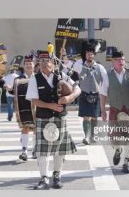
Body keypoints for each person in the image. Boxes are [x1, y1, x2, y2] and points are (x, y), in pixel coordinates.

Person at [26, 51, 81, 190]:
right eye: (43, 62)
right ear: (39, 64)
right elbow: (33, 101)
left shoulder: (62, 76)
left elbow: (78, 89)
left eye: (48, 61)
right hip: (43, 117)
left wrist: (69, 98)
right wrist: (49, 105)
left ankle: (57, 176)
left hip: (59, 117)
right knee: (41, 151)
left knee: (59, 150)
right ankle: (44, 178)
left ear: (53, 63)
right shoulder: (35, 78)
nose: (45, 64)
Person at [100, 50, 129, 173]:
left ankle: (126, 162)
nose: (121, 61)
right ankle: (117, 150)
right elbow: (103, 94)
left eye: (123, 59)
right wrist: (103, 111)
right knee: (114, 137)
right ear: (113, 61)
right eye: (118, 59)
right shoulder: (107, 75)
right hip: (114, 110)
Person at [62, 40, 108, 145]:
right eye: (88, 53)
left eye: (91, 53)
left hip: (96, 95)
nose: (90, 55)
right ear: (85, 54)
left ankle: (93, 136)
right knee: (86, 117)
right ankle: (86, 137)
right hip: (84, 94)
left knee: (95, 117)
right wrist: (64, 54)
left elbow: (106, 81)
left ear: (94, 55)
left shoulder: (100, 68)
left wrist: (104, 93)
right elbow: (67, 65)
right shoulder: (80, 65)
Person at [14, 55, 36, 161]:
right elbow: (12, 91)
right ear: (24, 66)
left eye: (30, 64)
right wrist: (1, 83)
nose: (28, 65)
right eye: (26, 64)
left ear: (34, 65)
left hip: (36, 108)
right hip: (23, 108)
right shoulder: (18, 79)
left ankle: (35, 150)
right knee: (25, 128)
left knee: (36, 129)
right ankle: (24, 151)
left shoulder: (38, 77)